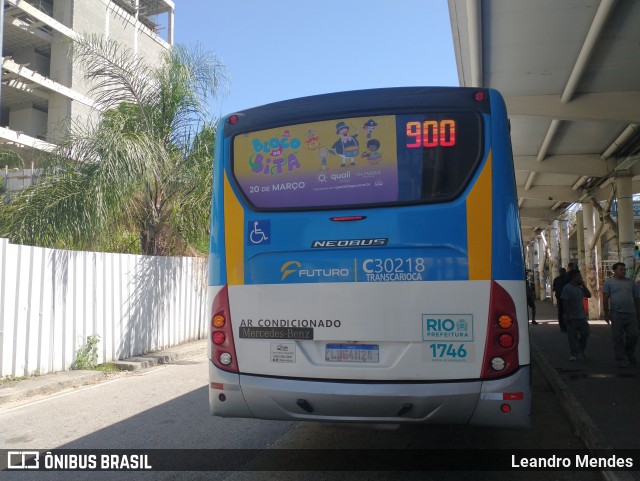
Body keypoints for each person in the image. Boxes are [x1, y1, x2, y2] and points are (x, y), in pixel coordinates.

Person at [602, 262, 639, 368]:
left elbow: (636, 298)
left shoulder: (631, 283)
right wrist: (607, 314)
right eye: (621, 269)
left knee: (633, 335)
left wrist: (638, 313)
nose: (623, 271)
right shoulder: (609, 283)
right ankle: (620, 358)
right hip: (617, 314)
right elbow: (605, 299)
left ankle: (630, 353)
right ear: (615, 271)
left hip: (631, 313)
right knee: (617, 337)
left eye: (624, 269)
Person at [560, 270, 591, 361]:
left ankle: (581, 347)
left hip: (581, 317)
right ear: (574, 277)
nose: (580, 278)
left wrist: (583, 285)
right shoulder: (567, 288)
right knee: (572, 337)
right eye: (579, 276)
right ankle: (574, 353)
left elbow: (588, 295)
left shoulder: (580, 288)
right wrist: (568, 315)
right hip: (571, 317)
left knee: (585, 333)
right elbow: (564, 302)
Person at [552, 267, 568, 332]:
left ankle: (562, 326)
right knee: (566, 312)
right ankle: (566, 326)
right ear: (565, 272)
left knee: (560, 312)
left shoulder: (556, 279)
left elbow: (553, 289)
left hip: (559, 298)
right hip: (567, 298)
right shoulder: (567, 279)